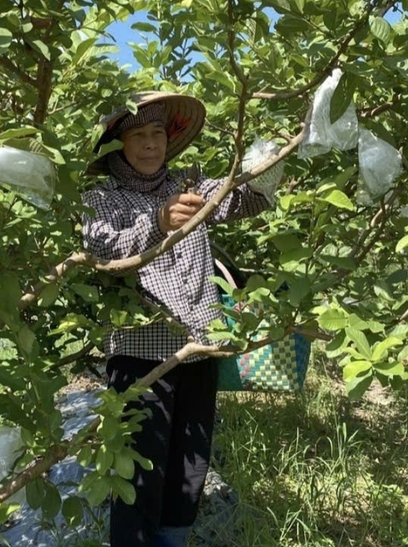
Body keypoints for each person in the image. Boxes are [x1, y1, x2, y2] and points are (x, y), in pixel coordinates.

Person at [81, 91, 272, 547]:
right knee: (139, 469)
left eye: (157, 133)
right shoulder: (102, 197)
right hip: (140, 357)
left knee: (190, 463)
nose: (150, 143)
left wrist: (270, 161)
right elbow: (102, 251)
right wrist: (157, 221)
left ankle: (172, 541)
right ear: (117, 145)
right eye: (138, 135)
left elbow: (243, 200)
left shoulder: (190, 186)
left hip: (198, 349)